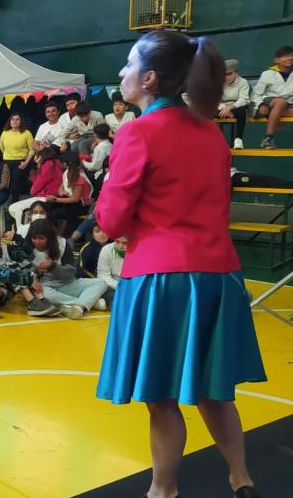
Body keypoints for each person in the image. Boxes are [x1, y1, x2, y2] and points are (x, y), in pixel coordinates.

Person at [96, 30, 266, 498]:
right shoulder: (211, 132)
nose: (121, 73)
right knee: (215, 389)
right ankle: (241, 478)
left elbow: (110, 221)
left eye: (128, 65)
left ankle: (163, 490)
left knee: (161, 398)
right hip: (219, 275)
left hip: (161, 277)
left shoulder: (137, 131)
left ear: (150, 78)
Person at [27, 219, 107, 319]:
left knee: (101, 283)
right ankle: (86, 303)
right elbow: (23, 270)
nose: (37, 242)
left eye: (41, 238)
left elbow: (71, 273)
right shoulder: (27, 248)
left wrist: (53, 267)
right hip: (45, 286)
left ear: (50, 237)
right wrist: (32, 279)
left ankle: (79, 305)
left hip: (67, 282)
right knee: (46, 296)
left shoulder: (62, 244)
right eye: (34, 238)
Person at [0, 227, 59, 317]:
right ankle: (32, 302)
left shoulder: (6, 245)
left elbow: (29, 255)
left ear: (0, 233)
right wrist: (30, 280)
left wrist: (17, 237)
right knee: (9, 269)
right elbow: (0, 274)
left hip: (7, 292)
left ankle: (41, 299)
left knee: (24, 264)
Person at [8, 147, 62, 231]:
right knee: (16, 209)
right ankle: (25, 231)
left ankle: (21, 233)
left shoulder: (48, 165)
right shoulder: (56, 163)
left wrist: (38, 167)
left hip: (46, 197)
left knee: (14, 208)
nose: (35, 158)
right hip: (47, 195)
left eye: (37, 156)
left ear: (41, 156)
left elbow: (34, 190)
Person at [251, 45, 293, 149]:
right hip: (269, 101)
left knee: (283, 103)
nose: (289, 58)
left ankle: (271, 113)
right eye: (285, 56)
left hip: (289, 104)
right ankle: (268, 138)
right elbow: (255, 94)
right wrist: (260, 104)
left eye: (291, 56)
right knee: (280, 102)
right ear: (277, 60)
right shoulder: (267, 74)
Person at [46, 152, 93, 237]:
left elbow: (75, 199)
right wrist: (61, 191)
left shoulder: (80, 177)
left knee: (53, 214)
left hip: (79, 206)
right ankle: (55, 233)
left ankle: (56, 235)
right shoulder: (68, 172)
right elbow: (62, 186)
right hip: (69, 200)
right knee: (48, 207)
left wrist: (55, 199)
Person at [209, 60, 250, 149]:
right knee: (208, 111)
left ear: (236, 73)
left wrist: (231, 107)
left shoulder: (243, 82)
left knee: (242, 111)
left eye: (229, 74)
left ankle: (238, 139)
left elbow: (244, 99)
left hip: (236, 107)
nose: (226, 77)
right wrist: (224, 108)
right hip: (222, 108)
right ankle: (212, 140)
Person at [0, 112, 35, 201]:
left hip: (20, 162)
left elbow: (32, 150)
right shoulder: (4, 133)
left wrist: (26, 163)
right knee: (4, 185)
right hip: (6, 162)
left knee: (15, 187)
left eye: (17, 119)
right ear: (10, 121)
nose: (15, 121)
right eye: (13, 119)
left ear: (21, 121)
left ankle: (13, 207)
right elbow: (1, 148)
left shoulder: (27, 133)